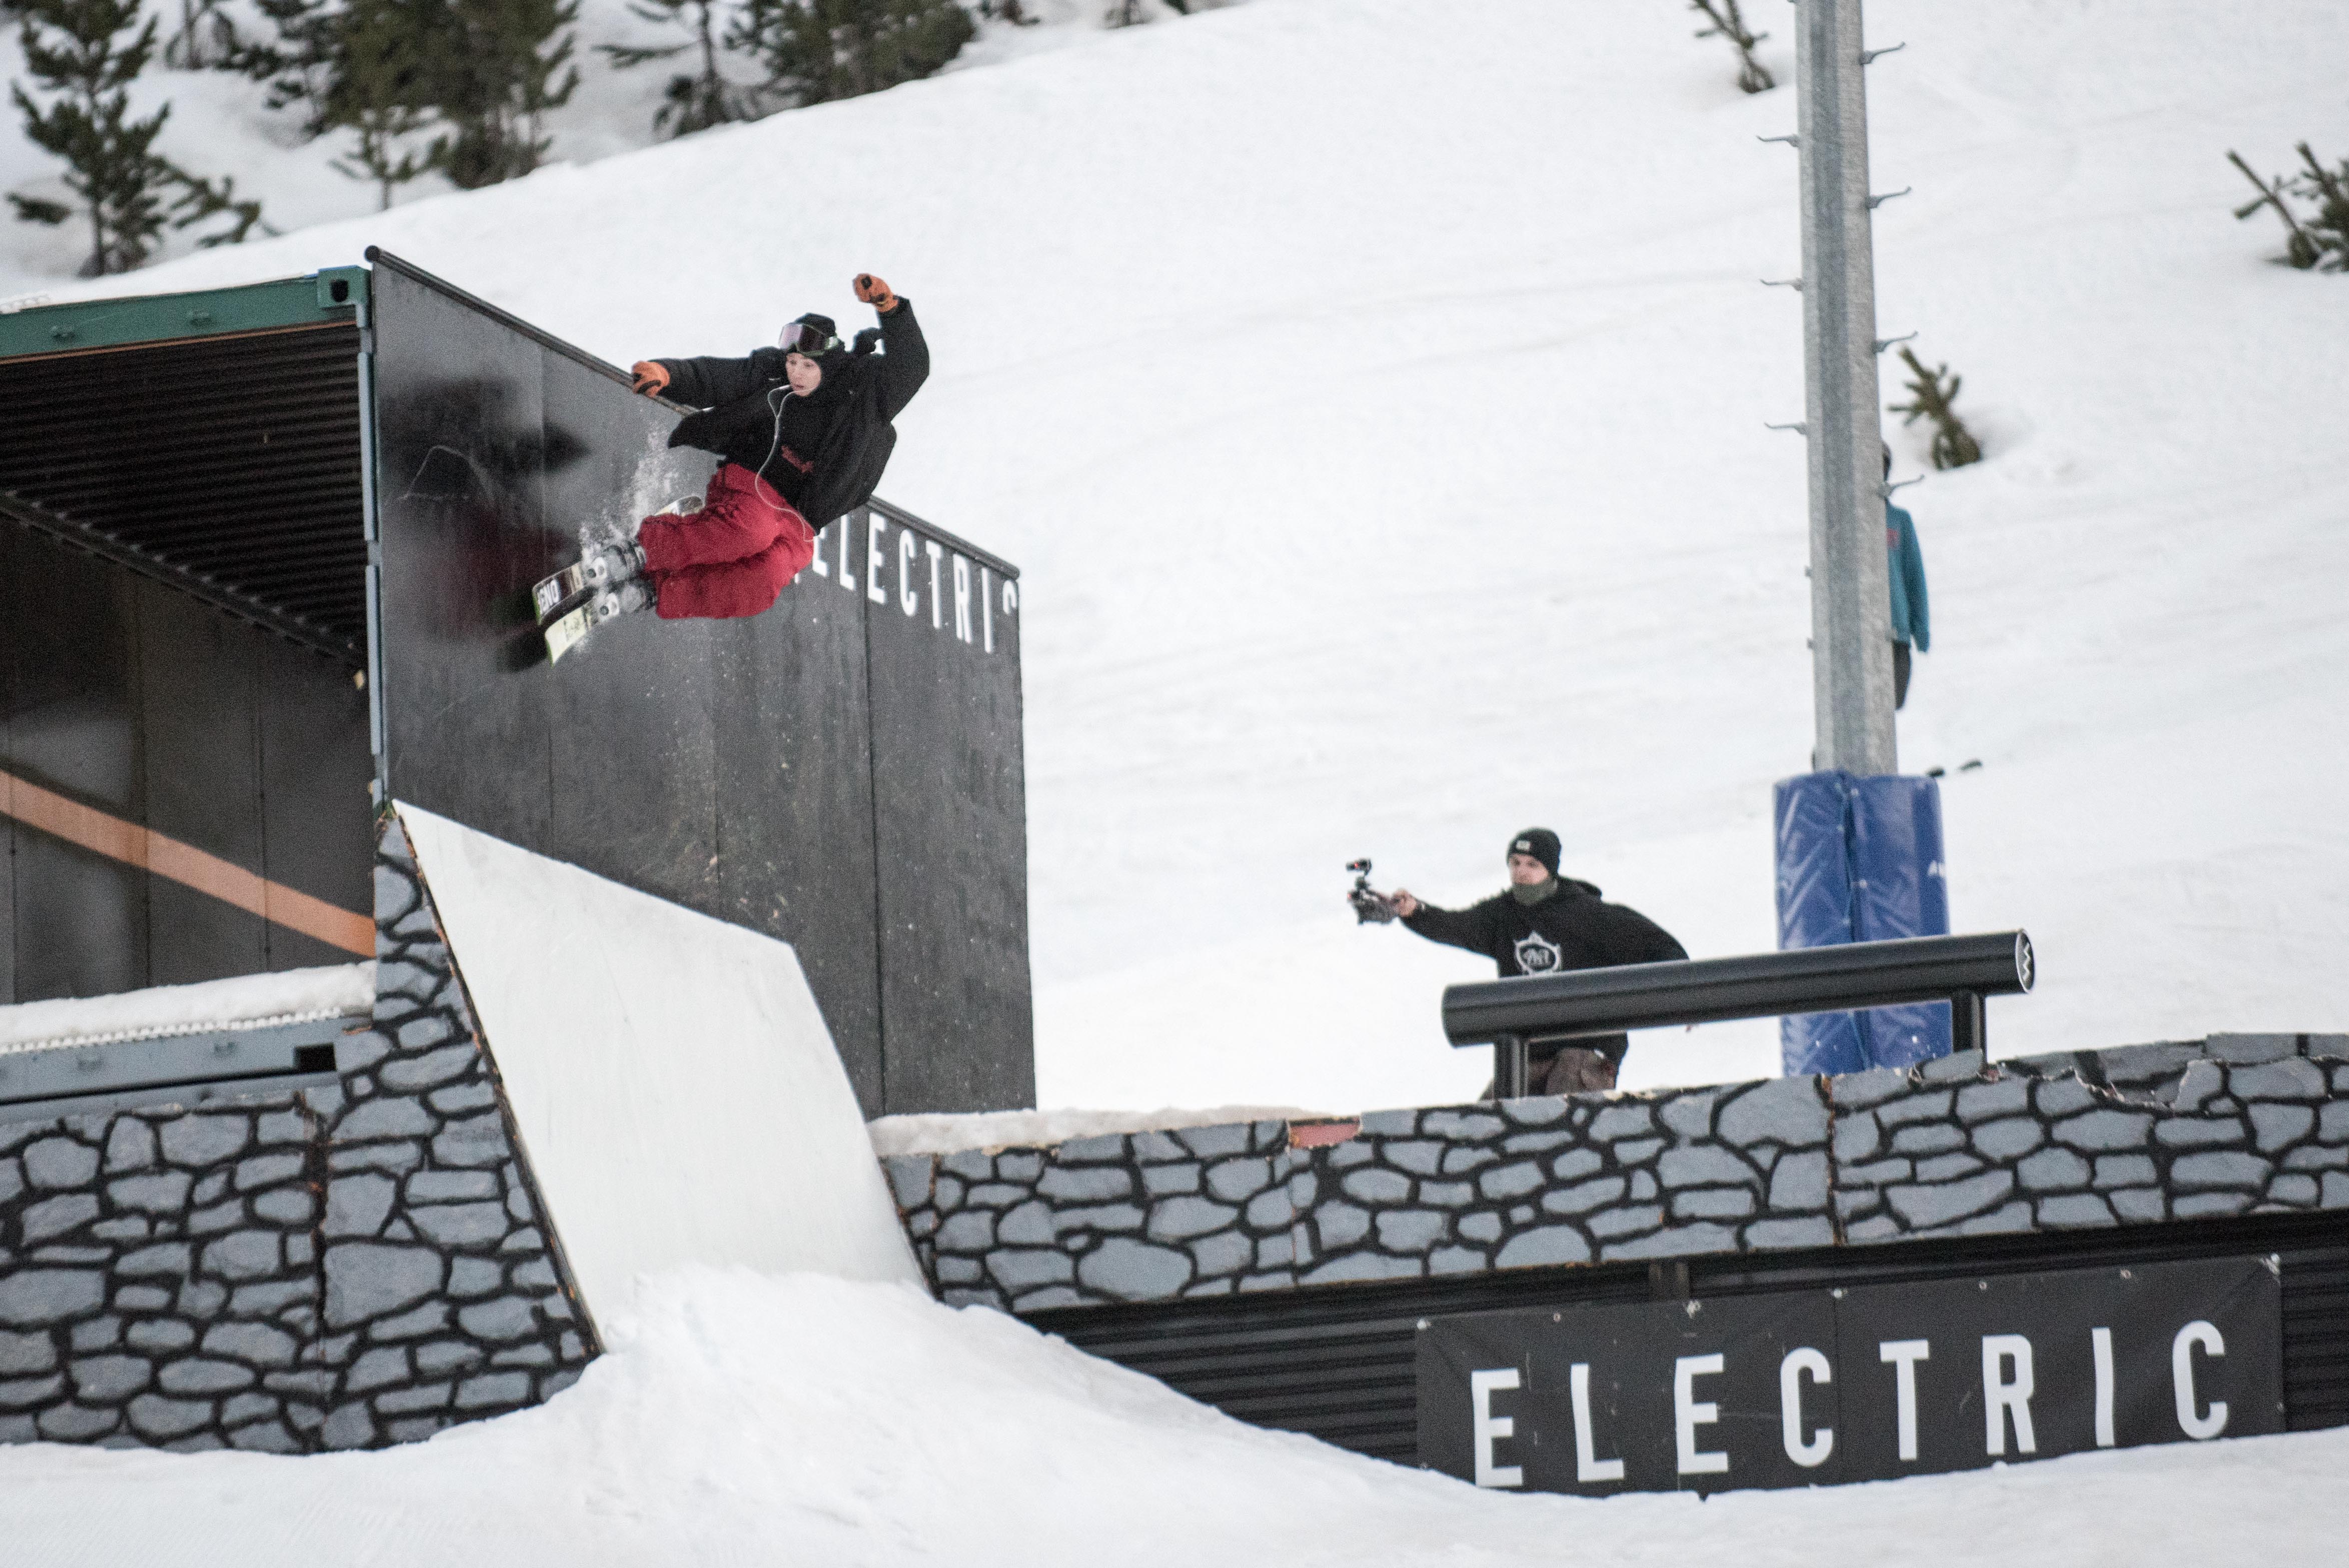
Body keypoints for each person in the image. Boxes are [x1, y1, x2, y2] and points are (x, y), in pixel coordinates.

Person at [566, 272, 929, 627]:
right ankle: (644, 552)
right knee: (751, 531)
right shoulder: (772, 376)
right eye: (792, 363)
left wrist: (891, 309)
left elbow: (911, 367)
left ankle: (659, 592)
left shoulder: (864, 395)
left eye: (807, 366)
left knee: (765, 581)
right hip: (750, 487)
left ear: (827, 365)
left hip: (798, 521)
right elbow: (717, 378)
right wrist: (669, 376)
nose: (796, 374)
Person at [1388, 828, 1687, 1095]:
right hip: (1528, 1053)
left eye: (1533, 865)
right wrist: (1414, 910)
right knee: (1486, 1128)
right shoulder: (1503, 915)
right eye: (1515, 863)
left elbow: (1652, 942)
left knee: (1561, 1115)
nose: (1522, 872)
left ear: (1551, 869)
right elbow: (1455, 925)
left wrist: (1686, 995)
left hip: (1584, 1051)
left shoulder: (1586, 913)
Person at [1885, 447, 1930, 709]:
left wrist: (1919, 628)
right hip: (1853, 638)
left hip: (1897, 636)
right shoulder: (1839, 520)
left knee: (1889, 708)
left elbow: (1914, 577)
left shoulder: (1898, 521)